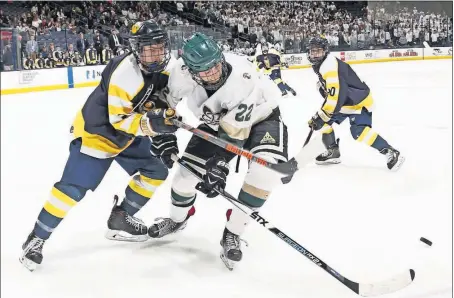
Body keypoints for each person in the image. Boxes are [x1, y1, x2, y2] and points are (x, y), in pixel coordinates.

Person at [20, 20, 180, 271]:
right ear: (137, 49)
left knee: (157, 170)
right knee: (71, 190)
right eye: (149, 49)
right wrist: (155, 126)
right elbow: (120, 121)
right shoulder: (125, 75)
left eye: (159, 47)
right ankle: (37, 238)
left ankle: (121, 217)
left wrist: (166, 130)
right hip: (100, 132)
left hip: (129, 132)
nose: (155, 54)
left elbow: (158, 100)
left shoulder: (167, 67)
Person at [146, 33, 286, 271]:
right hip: (217, 124)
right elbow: (166, 103)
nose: (213, 73)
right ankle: (178, 220)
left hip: (262, 119)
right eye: (204, 70)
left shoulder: (243, 78)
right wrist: (161, 128)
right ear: (190, 70)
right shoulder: (181, 74)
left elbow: (234, 134)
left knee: (263, 174)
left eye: (215, 65)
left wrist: (218, 165)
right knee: (185, 178)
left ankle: (232, 232)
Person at [306, 36, 405, 171]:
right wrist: (321, 115)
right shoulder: (322, 65)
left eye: (318, 51)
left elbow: (336, 96)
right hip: (345, 102)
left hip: (358, 101)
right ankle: (333, 152)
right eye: (313, 51)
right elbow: (334, 93)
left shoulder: (329, 66)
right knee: (323, 122)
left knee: (358, 131)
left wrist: (322, 115)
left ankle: (390, 152)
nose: (315, 54)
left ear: (325, 51)